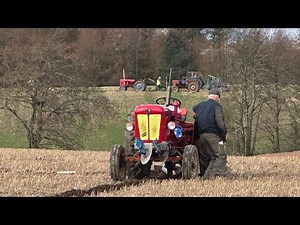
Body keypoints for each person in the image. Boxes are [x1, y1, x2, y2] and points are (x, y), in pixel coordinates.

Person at [192, 88, 228, 179]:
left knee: (207, 157)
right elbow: (219, 121)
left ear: (209, 96)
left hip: (200, 135)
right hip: (213, 134)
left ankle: (205, 176)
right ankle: (215, 176)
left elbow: (194, 109)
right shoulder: (217, 106)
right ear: (218, 97)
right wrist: (224, 134)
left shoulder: (200, 106)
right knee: (220, 155)